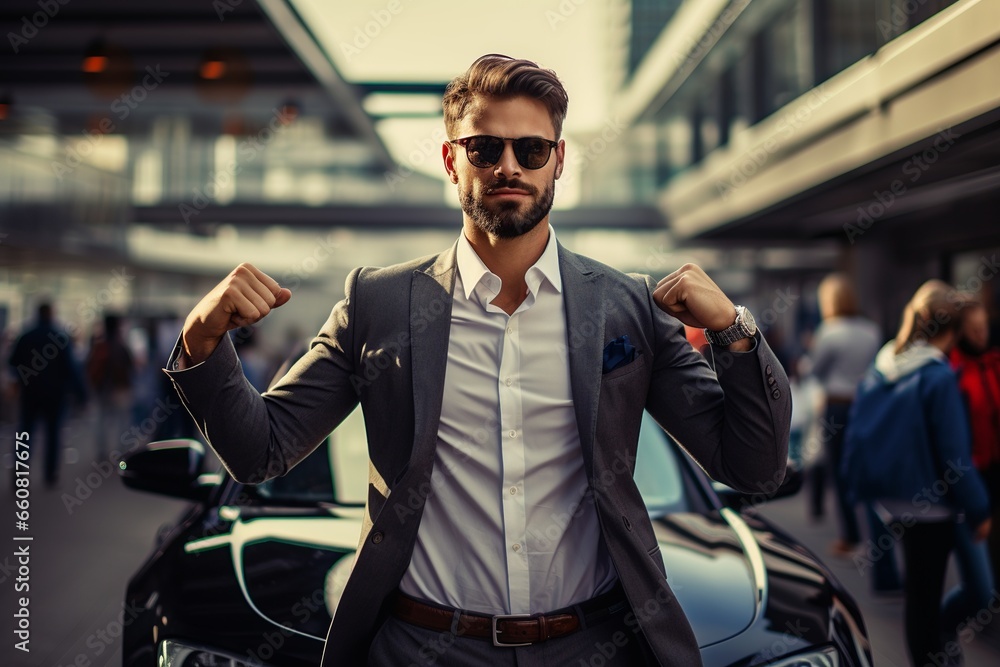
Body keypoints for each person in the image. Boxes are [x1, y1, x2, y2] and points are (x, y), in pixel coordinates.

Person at [163, 54, 791, 666]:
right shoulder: (377, 304)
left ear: (559, 160)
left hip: (594, 644)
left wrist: (736, 332)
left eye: (532, 150)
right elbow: (260, 452)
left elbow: (752, 467)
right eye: (485, 149)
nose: (508, 167)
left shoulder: (627, 306)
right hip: (422, 645)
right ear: (451, 159)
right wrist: (200, 341)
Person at [843, 280, 991, 667]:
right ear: (954, 330)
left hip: (891, 499)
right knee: (927, 597)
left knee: (918, 594)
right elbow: (954, 457)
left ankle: (930, 656)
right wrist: (979, 509)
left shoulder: (886, 362)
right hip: (932, 506)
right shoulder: (938, 377)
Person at [807, 275, 883, 555]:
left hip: (837, 405)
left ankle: (850, 536)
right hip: (864, 404)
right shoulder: (871, 330)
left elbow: (815, 370)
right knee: (866, 468)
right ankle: (876, 535)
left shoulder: (829, 330)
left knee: (839, 471)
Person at [943, 299, 1000, 630]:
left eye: (985, 328)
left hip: (995, 469)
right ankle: (944, 629)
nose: (981, 335)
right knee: (980, 576)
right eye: (973, 329)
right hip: (972, 476)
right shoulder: (952, 372)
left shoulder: (994, 362)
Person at [8, 302, 87, 487]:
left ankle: (19, 474)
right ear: (51, 314)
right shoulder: (60, 337)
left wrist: (23, 378)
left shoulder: (26, 336)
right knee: (53, 434)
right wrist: (82, 394)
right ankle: (50, 474)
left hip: (30, 393)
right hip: (55, 394)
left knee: (26, 433)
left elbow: (13, 363)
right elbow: (71, 368)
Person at [87, 315, 134, 460]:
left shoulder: (98, 343)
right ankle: (122, 450)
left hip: (102, 389)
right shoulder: (120, 344)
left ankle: (102, 451)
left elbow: (88, 365)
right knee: (122, 421)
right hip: (119, 388)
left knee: (101, 421)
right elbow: (129, 363)